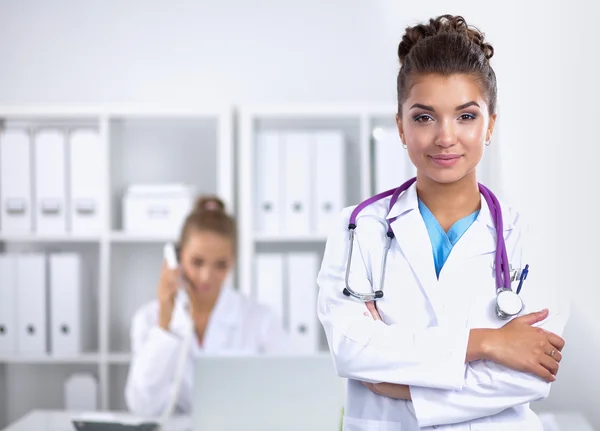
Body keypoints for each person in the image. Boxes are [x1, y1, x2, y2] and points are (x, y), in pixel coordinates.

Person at [317, 14, 569, 431]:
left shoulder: (529, 236)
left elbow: (531, 373)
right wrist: (486, 343)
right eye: (423, 117)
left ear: (490, 124)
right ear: (401, 126)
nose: (445, 137)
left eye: (466, 116)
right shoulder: (359, 229)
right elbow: (351, 349)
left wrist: (402, 385)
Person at [125, 195, 288, 417]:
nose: (206, 277)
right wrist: (164, 323)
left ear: (233, 261)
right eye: (197, 262)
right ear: (177, 256)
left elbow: (285, 396)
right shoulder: (148, 318)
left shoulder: (261, 319)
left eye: (220, 265)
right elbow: (142, 406)